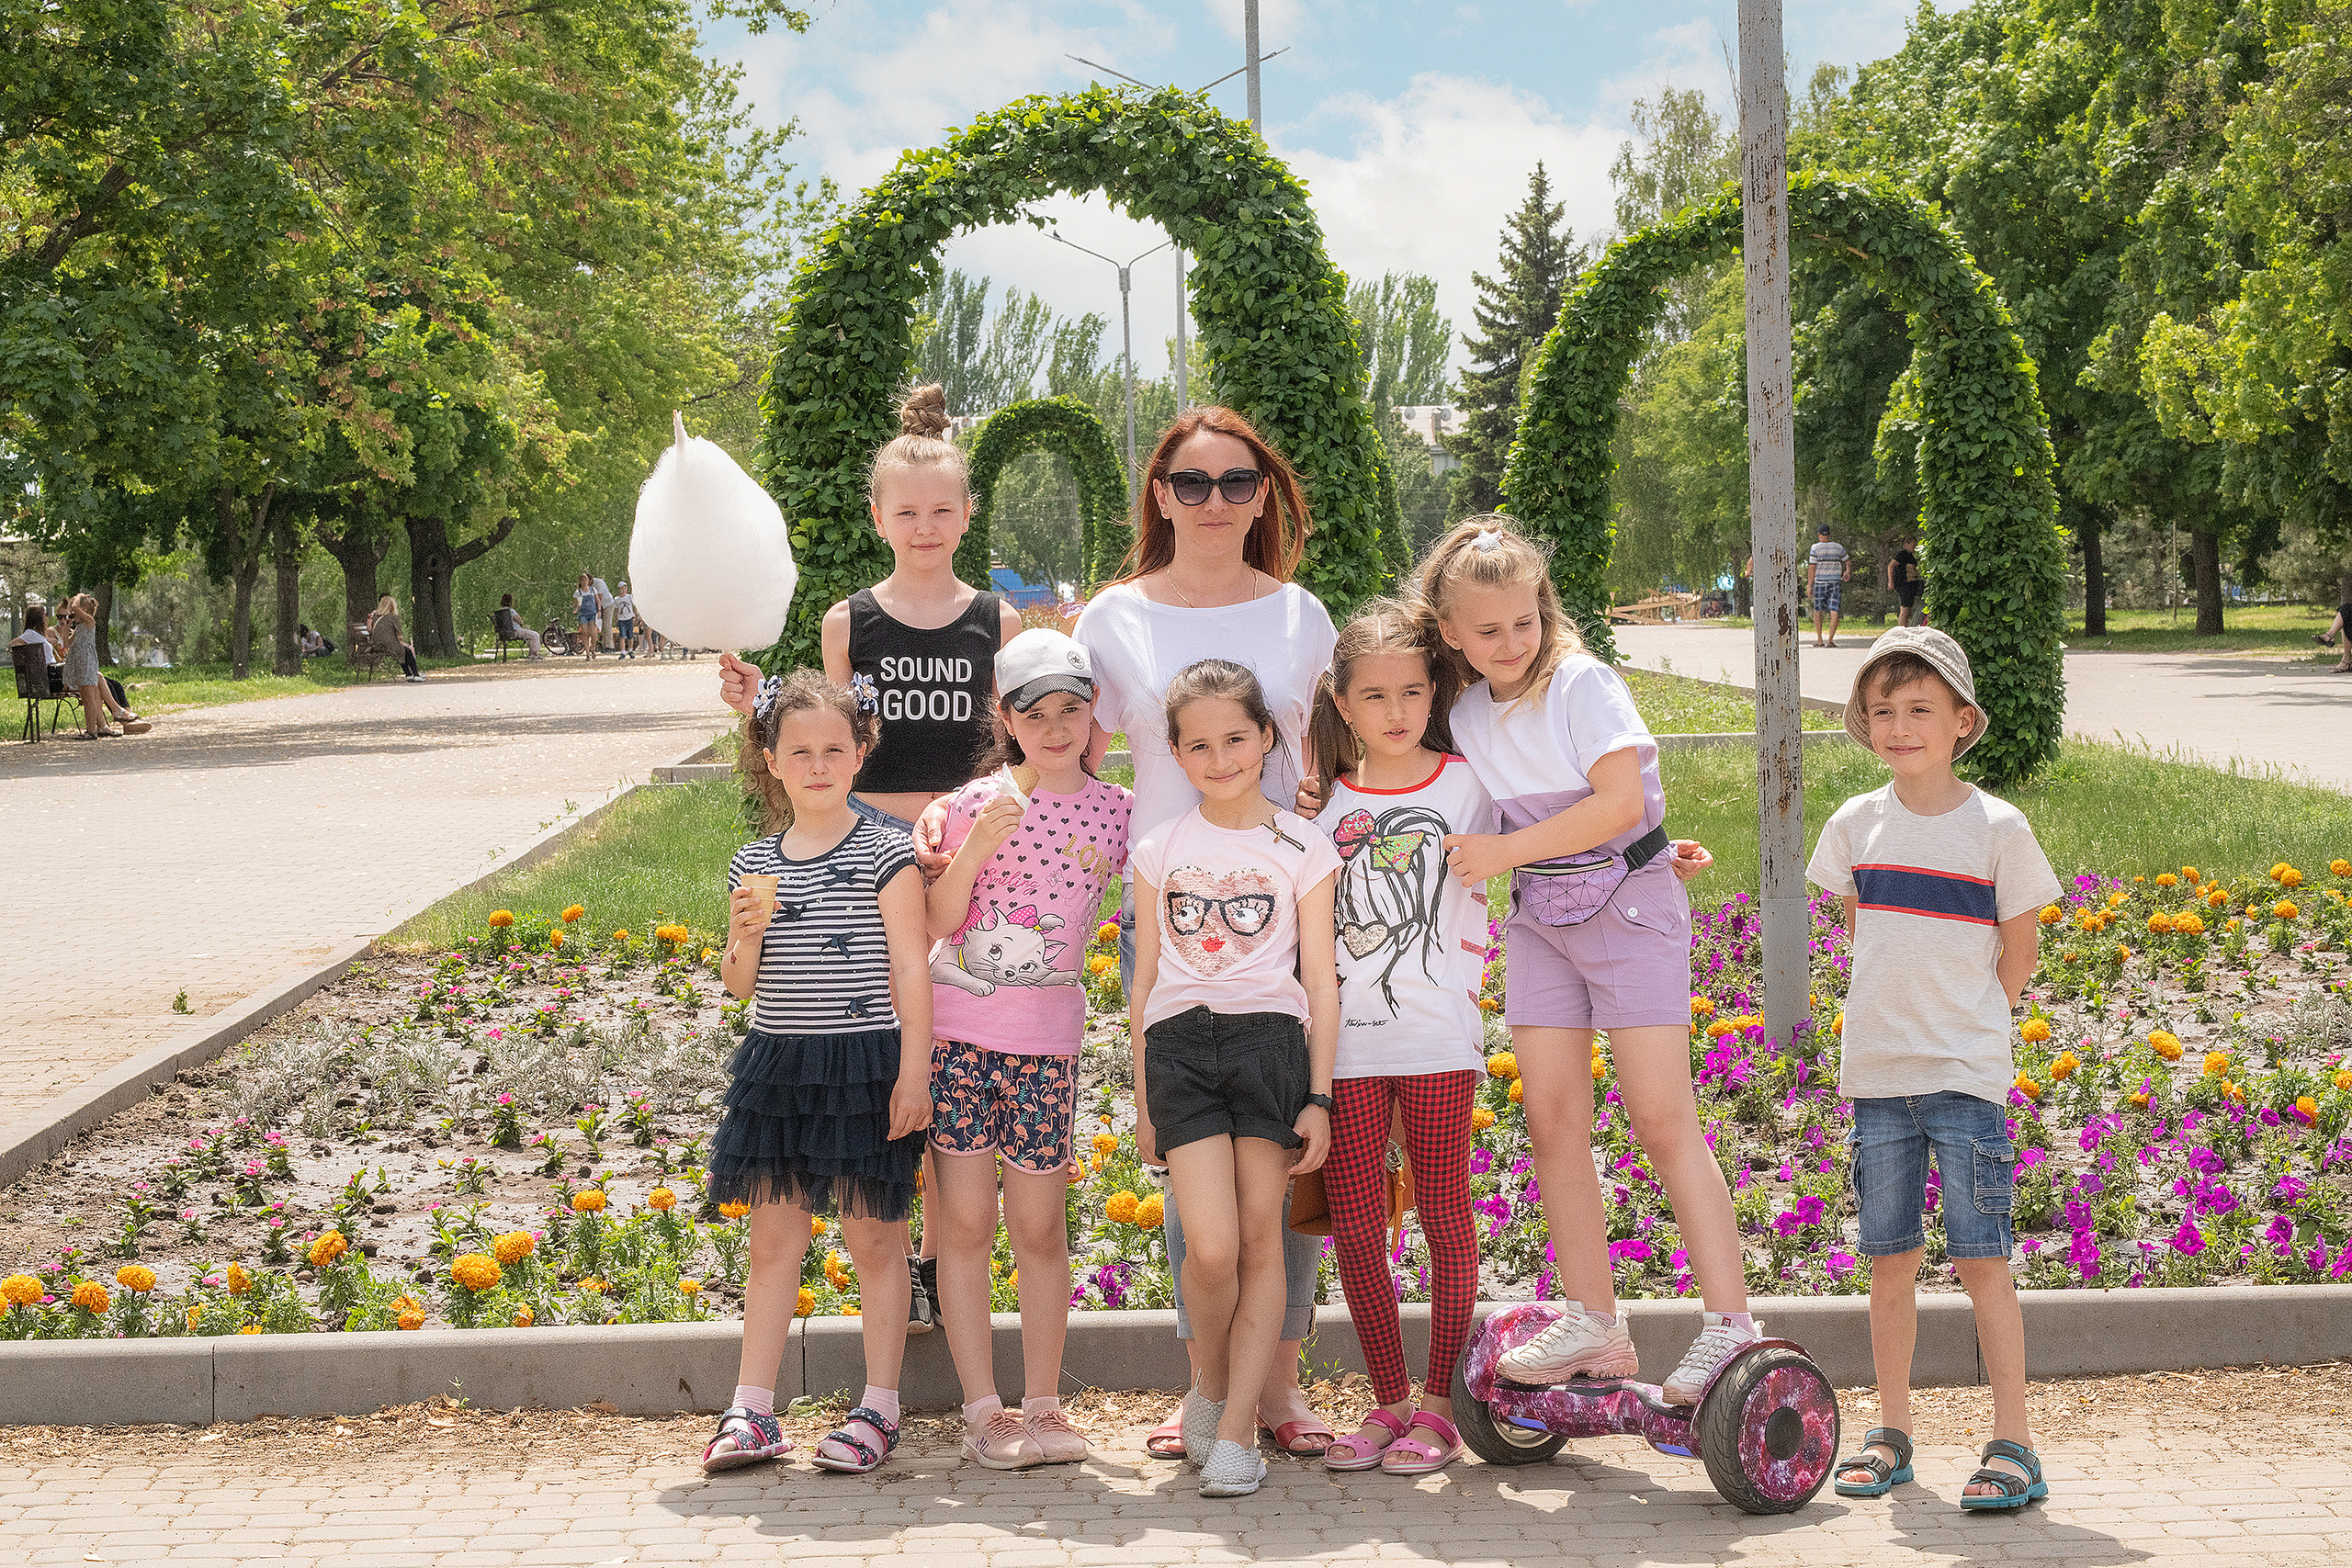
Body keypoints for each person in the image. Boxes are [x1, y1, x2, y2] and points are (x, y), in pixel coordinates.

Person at [1047, 403, 1341, 1459]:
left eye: (1235, 483)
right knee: (1197, 1167)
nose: (1213, 502)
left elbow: (1333, 764)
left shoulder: (1301, 615)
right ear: (1159, 494)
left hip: (1276, 911)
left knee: (1277, 1158)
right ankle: (1204, 1388)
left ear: (1262, 496)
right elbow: (1065, 756)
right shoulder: (1110, 620)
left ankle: (1282, 1388)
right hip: (1168, 914)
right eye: (1190, 483)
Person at [1413, 515, 1758, 1404]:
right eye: (1486, 631)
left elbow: (1613, 804)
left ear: (1543, 608)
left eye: (1523, 621)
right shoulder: (1466, 710)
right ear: (1450, 632)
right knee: (1554, 1120)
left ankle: (1730, 1326)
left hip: (1629, 910)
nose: (1510, 642)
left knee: (1660, 1118)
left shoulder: (1581, 682)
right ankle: (1595, 1322)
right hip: (1541, 919)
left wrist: (1506, 855)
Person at [718, 382, 1022, 1333]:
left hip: (968, 867)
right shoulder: (849, 622)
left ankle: (934, 1263)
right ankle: (891, 1256)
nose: (924, 526)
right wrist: (758, 703)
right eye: (906, 512)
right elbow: (826, 734)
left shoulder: (997, 624)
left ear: (967, 515)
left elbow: (1014, 749)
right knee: (884, 1057)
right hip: (872, 869)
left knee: (950, 1064)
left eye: (942, 510)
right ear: (878, 517)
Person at [1807, 626, 2058, 1509]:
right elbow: (1856, 921)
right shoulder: (1854, 825)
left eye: (1920, 709)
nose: (1900, 725)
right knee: (1891, 1259)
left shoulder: (1997, 827)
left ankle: (2014, 1441)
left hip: (1964, 1076)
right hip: (1877, 1076)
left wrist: (1973, 1022)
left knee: (1984, 1258)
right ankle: (1893, 1430)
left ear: (1961, 721)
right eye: (1883, 711)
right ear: (1864, 725)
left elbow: (2017, 947)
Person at [701, 670, 933, 1477]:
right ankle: (753, 1408)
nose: (817, 763)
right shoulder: (752, 863)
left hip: (866, 1059)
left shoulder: (886, 850)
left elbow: (912, 966)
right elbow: (740, 983)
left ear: (862, 753)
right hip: (779, 1062)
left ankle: (878, 1405)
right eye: (798, 750)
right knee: (774, 1240)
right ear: (770, 760)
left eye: (835, 747)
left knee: (874, 1236)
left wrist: (914, 1070)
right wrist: (745, 934)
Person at [1128, 659, 1340, 1498]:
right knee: (1209, 1249)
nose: (1220, 758)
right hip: (1181, 1048)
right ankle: (1210, 1392)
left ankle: (1237, 1434)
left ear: (1267, 740)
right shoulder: (1159, 848)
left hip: (1270, 1049)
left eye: (1237, 739)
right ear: (1176, 756)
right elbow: (1142, 983)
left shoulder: (1302, 845)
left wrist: (1318, 1096)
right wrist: (1143, 1097)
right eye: (1200, 745)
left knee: (1262, 1245)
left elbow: (1321, 980)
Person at [923, 627, 1134, 1469]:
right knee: (967, 1222)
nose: (1054, 727)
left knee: (1041, 1229)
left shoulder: (1118, 812)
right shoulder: (973, 802)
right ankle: (983, 1408)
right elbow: (940, 921)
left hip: (1048, 1050)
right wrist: (971, 844)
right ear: (1004, 716)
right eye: (1034, 711)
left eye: (1071, 709)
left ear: (1093, 716)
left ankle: (1043, 1404)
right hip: (960, 1041)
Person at [62, 595, 147, 735]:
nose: (72, 611)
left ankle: (91, 731)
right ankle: (94, 729)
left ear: (82, 610)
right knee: (86, 697)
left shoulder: (90, 622)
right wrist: (66, 627)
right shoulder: (79, 629)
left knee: (89, 700)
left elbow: (76, 608)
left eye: (75, 609)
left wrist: (79, 598)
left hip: (87, 664)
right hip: (79, 665)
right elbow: (66, 644)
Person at [1807, 524, 1849, 646]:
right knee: (1834, 609)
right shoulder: (1838, 547)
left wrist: (1810, 585)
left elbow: (1812, 567)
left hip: (1820, 582)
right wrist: (1847, 571)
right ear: (1829, 535)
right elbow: (1848, 560)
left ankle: (1820, 639)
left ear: (1820, 535)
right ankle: (1830, 640)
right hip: (1835, 582)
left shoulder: (1815, 548)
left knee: (1818, 610)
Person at [368, 594, 423, 682]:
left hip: (377, 646)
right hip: (388, 646)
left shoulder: (375, 618)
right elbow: (399, 634)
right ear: (391, 606)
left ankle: (408, 674)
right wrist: (400, 640)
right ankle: (415, 674)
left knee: (402, 651)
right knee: (406, 651)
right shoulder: (392, 617)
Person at [1886, 543, 1925, 629]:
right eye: (1913, 545)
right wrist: (1891, 582)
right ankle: (1901, 630)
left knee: (1909, 610)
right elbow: (1891, 566)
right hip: (1904, 584)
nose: (1914, 548)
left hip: (1912, 584)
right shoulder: (1902, 554)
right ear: (1906, 545)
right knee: (1905, 609)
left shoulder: (1911, 557)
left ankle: (1906, 627)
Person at [494, 595, 543, 659]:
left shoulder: (499, 612)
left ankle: (532, 654)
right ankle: (533, 655)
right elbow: (520, 621)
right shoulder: (511, 611)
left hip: (503, 634)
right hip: (514, 632)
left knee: (529, 635)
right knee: (535, 635)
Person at [573, 574, 601, 661]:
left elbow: (597, 601)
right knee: (585, 633)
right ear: (580, 582)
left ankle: (592, 648)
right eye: (583, 580)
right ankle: (588, 653)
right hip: (583, 614)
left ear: (588, 581)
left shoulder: (593, 590)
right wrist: (575, 610)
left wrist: (599, 610)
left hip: (592, 613)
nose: (585, 582)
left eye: (586, 580)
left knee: (594, 633)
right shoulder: (578, 592)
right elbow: (577, 604)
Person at [591, 571, 616, 651]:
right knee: (602, 626)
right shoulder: (589, 586)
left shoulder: (599, 583)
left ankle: (610, 646)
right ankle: (604, 645)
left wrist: (599, 611)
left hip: (608, 605)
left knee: (607, 625)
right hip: (600, 606)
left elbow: (600, 599)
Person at [614, 581, 638, 658]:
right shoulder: (617, 599)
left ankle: (630, 650)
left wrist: (635, 616)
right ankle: (623, 652)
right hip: (621, 619)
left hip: (629, 618)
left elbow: (634, 606)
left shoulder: (630, 597)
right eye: (621, 589)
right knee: (622, 636)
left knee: (630, 636)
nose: (623, 590)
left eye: (625, 588)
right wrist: (616, 621)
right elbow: (616, 610)